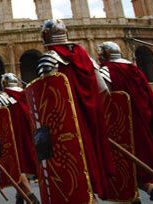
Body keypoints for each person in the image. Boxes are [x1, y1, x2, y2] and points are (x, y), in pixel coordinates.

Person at [36, 19, 115, 200]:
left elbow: (47, 101)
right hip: (90, 122)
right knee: (89, 164)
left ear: (45, 36)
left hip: (64, 128)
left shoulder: (49, 60)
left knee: (72, 173)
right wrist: (91, 115)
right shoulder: (87, 59)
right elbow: (103, 91)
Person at [98, 41, 153, 203]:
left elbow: (105, 99)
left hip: (122, 127)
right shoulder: (134, 69)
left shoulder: (106, 71)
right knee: (137, 166)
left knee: (123, 168)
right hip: (144, 122)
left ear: (105, 55)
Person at [0, 73, 40, 204]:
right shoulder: (28, 94)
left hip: (13, 140)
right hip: (31, 138)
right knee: (20, 169)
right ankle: (19, 199)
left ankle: (33, 199)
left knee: (16, 169)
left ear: (4, 84)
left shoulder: (3, 98)